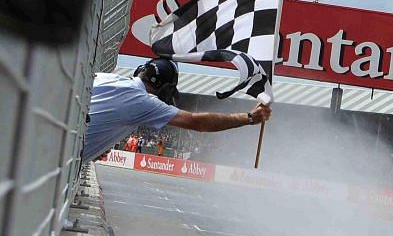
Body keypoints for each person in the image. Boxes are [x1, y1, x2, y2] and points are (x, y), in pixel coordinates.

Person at [84, 57, 271, 162]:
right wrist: (248, 118)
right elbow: (195, 121)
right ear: (165, 88)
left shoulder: (105, 77)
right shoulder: (142, 101)